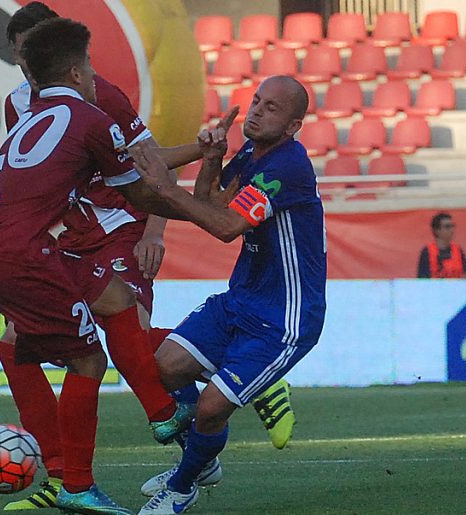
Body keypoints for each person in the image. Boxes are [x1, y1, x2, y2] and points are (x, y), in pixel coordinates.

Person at [0, 4, 294, 510]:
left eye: (35, 53)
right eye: (22, 56)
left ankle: (238, 380)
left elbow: (148, 165)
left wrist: (155, 230)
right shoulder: (17, 104)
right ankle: (64, 473)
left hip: (120, 228)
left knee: (125, 336)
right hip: (68, 234)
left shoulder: (97, 93)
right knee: (17, 344)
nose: (29, 65)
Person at [0, 17, 205, 514]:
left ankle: (163, 414)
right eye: (90, 65)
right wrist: (210, 214)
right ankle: (76, 483)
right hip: (33, 254)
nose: (95, 73)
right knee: (88, 360)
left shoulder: (28, 117)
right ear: (76, 73)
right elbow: (143, 190)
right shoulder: (93, 120)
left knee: (113, 302)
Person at [128, 75, 327, 514]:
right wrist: (213, 158)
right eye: (256, 101)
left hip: (284, 318)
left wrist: (161, 186)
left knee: (211, 409)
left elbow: (224, 228)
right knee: (162, 369)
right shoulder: (253, 154)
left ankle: (182, 486)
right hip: (241, 300)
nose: (256, 111)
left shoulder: (288, 167)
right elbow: (210, 203)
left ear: (293, 126)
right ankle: (204, 460)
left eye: (271, 108)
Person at [417, 212, 466, 278]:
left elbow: (465, 277)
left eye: (452, 226)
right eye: (447, 227)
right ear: (437, 230)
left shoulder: (458, 250)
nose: (452, 230)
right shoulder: (427, 252)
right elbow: (422, 280)